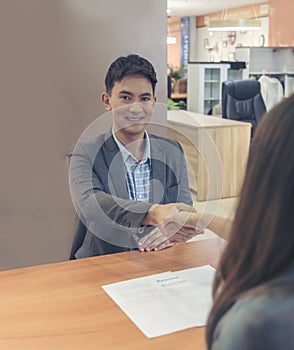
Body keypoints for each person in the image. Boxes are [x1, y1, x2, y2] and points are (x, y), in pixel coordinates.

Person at [140, 94, 294, 349]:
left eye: (145, 98)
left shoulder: (256, 322)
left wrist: (166, 216)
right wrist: (199, 218)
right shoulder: (91, 152)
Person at [69, 54, 199, 259]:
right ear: (107, 101)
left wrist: (179, 227)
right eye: (126, 97)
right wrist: (153, 213)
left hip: (159, 259)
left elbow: (183, 209)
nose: (136, 108)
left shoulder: (172, 151)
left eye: (144, 98)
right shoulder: (85, 152)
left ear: (154, 102)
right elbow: (90, 204)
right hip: (104, 263)